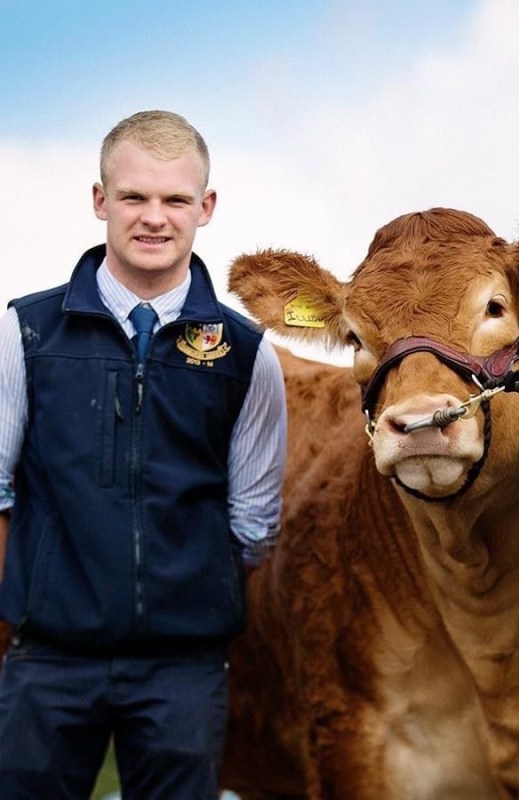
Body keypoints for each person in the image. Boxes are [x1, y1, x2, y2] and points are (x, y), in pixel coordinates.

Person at [0, 110, 287, 799]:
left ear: (205, 207)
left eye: (175, 200)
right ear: (101, 201)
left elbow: (253, 519)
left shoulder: (248, 354)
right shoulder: (25, 333)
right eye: (134, 197)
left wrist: (186, 602)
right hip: (48, 660)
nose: (154, 217)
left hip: (182, 672)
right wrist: (36, 601)